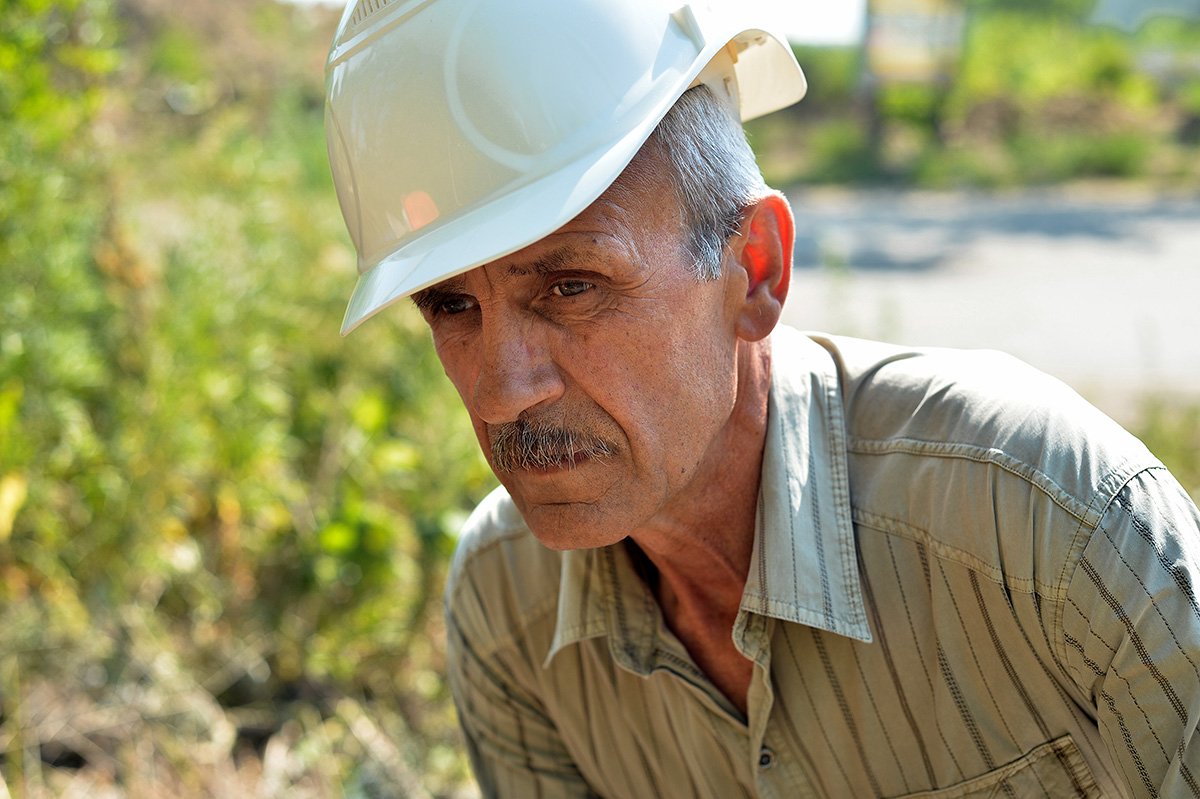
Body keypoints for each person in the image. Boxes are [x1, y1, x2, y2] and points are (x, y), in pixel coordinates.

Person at [323, 1, 1200, 796]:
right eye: (449, 305)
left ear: (754, 271)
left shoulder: (1048, 527)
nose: (502, 387)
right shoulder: (506, 602)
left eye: (572, 287)